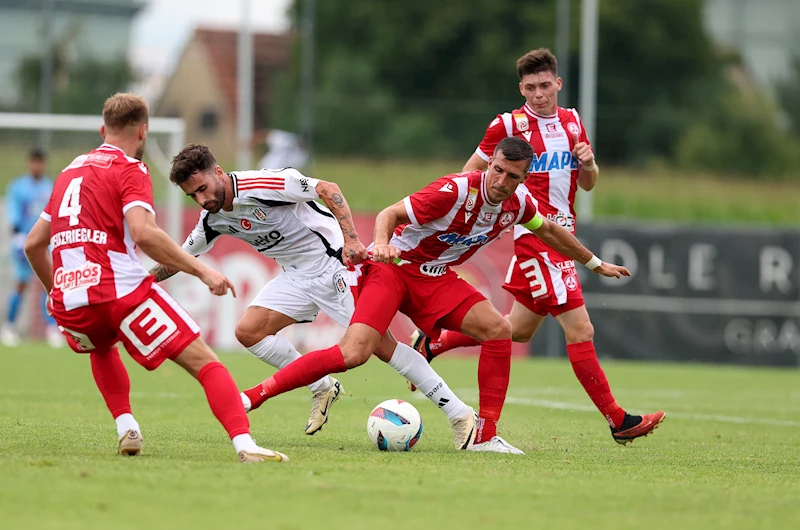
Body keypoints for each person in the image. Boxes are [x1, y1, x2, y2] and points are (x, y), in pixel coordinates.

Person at [241, 137, 631, 454]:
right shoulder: (454, 190)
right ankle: (251, 398)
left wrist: (595, 263)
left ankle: (484, 435)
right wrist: (381, 244)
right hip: (391, 271)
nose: (500, 181)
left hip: (436, 279)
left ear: (523, 179)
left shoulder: (519, 203)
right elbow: (389, 215)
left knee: (498, 329)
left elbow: (548, 231)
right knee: (354, 354)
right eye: (496, 170)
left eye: (511, 176)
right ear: (489, 164)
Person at [410, 48, 665, 445]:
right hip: (536, 237)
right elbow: (468, 175)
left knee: (517, 330)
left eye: (545, 86)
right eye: (530, 88)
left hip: (563, 235)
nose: (538, 95)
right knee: (581, 329)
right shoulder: (507, 125)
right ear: (521, 89)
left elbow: (588, 183)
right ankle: (619, 420)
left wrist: (590, 164)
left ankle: (435, 342)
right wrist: (481, 217)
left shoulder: (573, 123)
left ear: (558, 84)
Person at [151, 144, 480, 446]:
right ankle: (322, 386)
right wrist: (142, 282)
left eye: (203, 189)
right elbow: (180, 257)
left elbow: (328, 189)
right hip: (296, 277)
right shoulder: (212, 219)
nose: (202, 200)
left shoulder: (263, 185)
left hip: (335, 264)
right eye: (192, 195)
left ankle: (459, 414)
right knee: (249, 332)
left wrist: (351, 240)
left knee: (381, 347)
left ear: (219, 172)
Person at [23, 93, 286, 463]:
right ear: (143, 131)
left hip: (72, 299)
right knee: (206, 363)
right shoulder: (131, 169)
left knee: (101, 347)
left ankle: (126, 425)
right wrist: (203, 270)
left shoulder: (67, 174)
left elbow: (34, 244)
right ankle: (246, 446)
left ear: (103, 130)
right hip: (120, 290)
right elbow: (144, 233)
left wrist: (55, 292)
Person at [2, 148, 62, 348]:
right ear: (29, 163)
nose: (37, 166)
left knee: (49, 286)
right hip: (25, 244)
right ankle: (9, 326)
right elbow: (14, 215)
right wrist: (18, 237)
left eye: (40, 162)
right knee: (21, 284)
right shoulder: (18, 187)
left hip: (46, 245)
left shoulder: (49, 186)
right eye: (34, 162)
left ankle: (52, 329)